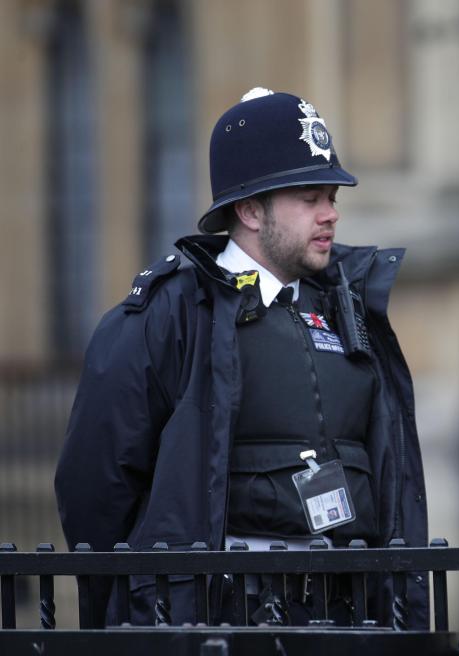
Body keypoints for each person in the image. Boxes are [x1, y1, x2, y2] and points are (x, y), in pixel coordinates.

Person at [54, 88, 428, 628]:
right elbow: (94, 488)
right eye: (309, 197)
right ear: (249, 209)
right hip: (221, 619)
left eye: (332, 196)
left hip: (341, 616)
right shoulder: (170, 315)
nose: (331, 215)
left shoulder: (351, 308)